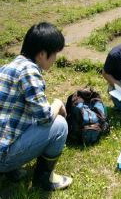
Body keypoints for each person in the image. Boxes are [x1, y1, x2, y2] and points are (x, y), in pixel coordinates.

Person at [0, 22, 72, 190]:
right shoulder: (30, 71)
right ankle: (44, 179)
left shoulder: (7, 67)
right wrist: (57, 104)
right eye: (54, 54)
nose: (55, 59)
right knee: (59, 125)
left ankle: (11, 170)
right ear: (41, 54)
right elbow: (46, 118)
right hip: (3, 157)